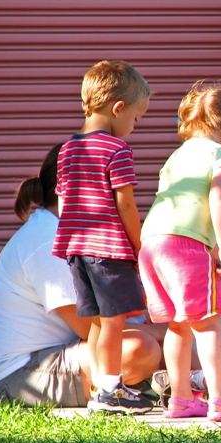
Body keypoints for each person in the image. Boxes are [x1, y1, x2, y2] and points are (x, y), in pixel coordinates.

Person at [0, 145, 162, 407]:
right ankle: (135, 386)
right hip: (21, 374)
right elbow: (89, 328)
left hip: (68, 353)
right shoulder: (47, 240)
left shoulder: (80, 235)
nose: (120, 201)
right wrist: (160, 332)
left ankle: (188, 388)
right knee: (141, 349)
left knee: (167, 347)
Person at [138, 81, 221, 421]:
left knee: (178, 325)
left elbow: (187, 208)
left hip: (152, 244)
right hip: (184, 248)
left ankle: (182, 399)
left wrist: (212, 249)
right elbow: (218, 198)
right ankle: (219, 400)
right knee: (209, 324)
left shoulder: (177, 156)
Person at [51, 60, 155, 413]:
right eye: (136, 118)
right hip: (108, 250)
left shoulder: (67, 150)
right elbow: (125, 202)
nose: (134, 127)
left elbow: (64, 202)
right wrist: (140, 244)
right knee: (113, 322)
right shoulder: (116, 150)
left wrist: (71, 243)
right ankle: (111, 389)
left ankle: (100, 386)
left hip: (76, 250)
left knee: (96, 322)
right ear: (118, 108)